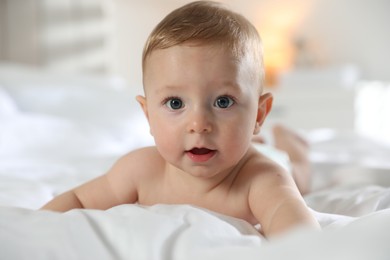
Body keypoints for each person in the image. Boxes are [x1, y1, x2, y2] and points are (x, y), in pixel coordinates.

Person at [41, 1, 320, 237]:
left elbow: (299, 234)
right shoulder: (140, 170)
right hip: (242, 141)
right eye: (175, 103)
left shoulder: (261, 179)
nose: (199, 124)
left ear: (259, 114)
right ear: (148, 115)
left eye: (223, 102)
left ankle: (295, 151)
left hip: (270, 157)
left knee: (298, 175)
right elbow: (78, 199)